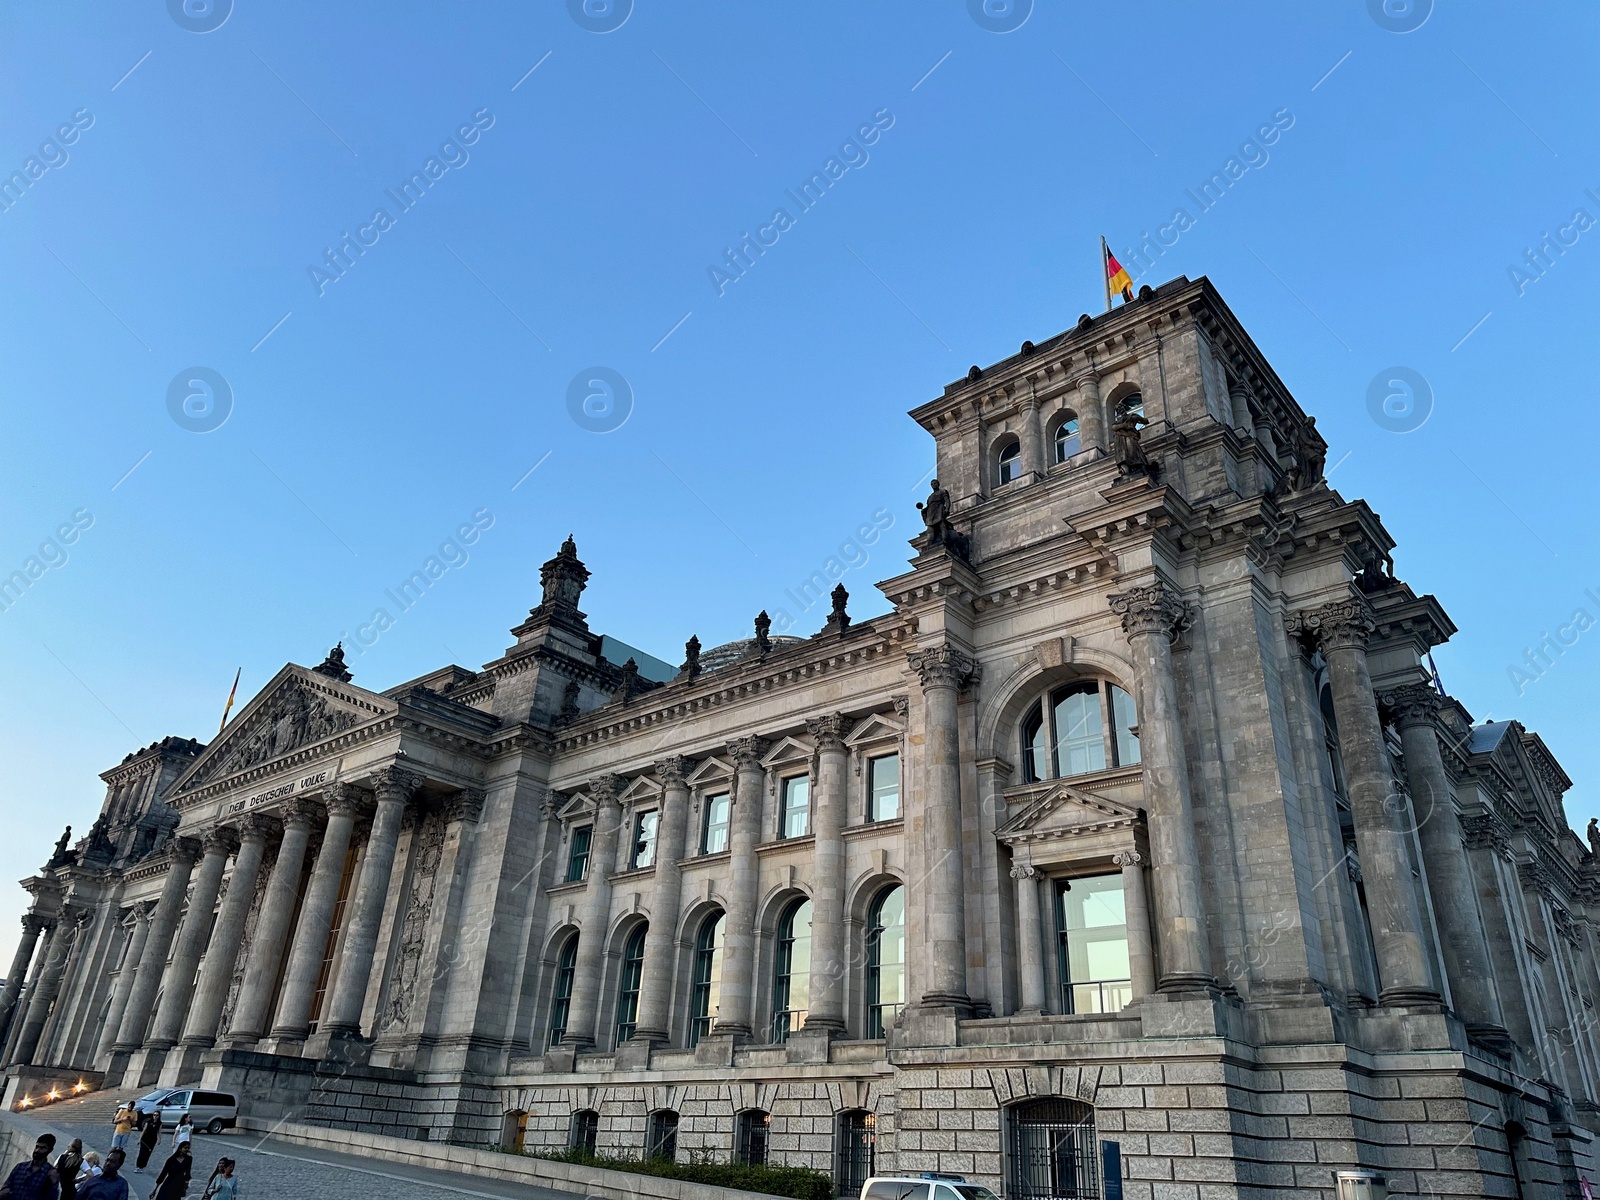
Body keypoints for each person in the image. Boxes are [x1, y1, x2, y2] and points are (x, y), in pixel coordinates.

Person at [0, 1134, 59, 1200]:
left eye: (42, 1148)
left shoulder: (50, 1174)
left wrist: (53, 1183)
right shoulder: (20, 1167)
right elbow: (6, 1185)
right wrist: (4, 1192)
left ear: (50, 1150)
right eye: (37, 1147)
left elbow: (52, 1197)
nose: (37, 1150)